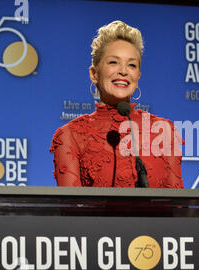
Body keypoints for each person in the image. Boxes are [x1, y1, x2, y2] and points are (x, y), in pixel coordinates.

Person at [50, 21, 183, 188]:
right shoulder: (70, 136)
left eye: (132, 65)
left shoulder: (164, 132)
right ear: (94, 74)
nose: (124, 71)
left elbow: (177, 207)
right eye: (113, 62)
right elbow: (71, 208)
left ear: (138, 75)